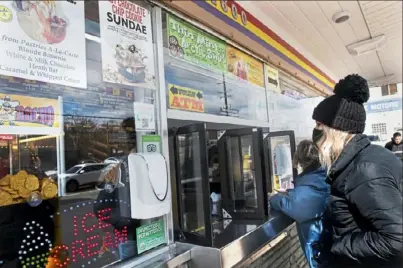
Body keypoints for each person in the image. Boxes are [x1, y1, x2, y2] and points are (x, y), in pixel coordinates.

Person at [311, 74, 403, 267]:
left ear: (337, 129)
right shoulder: (365, 158)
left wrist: (338, 247)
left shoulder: (365, 170)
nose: (316, 131)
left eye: (320, 125)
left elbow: (397, 240)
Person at [270, 140, 330, 268]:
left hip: (318, 245)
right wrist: (289, 192)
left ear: (300, 160)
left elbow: (296, 205)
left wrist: (272, 198)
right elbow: (309, 195)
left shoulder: (309, 183)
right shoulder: (322, 175)